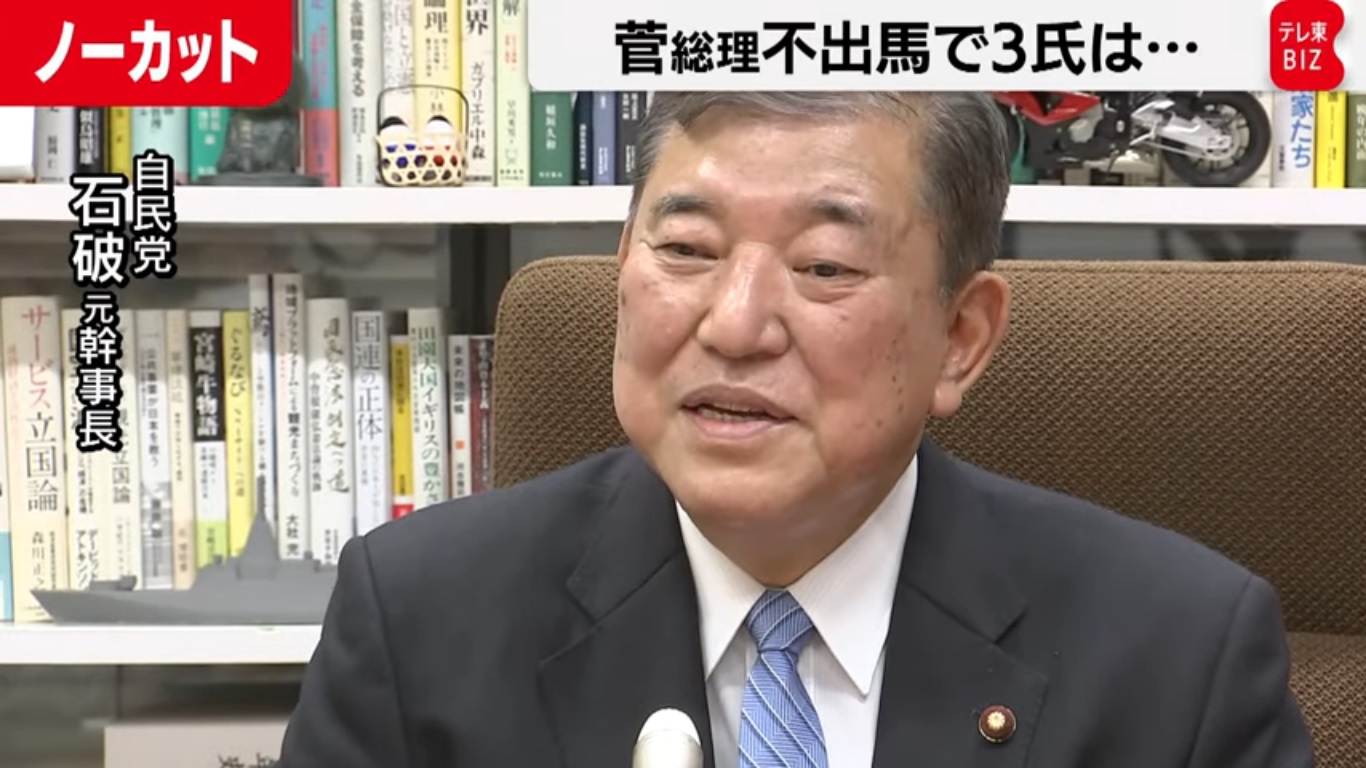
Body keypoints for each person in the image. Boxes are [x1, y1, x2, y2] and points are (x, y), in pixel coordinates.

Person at [277, 92, 1314, 768]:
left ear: (960, 338)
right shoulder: (417, 622)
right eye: (686, 249)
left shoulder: (1178, 658)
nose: (734, 326)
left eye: (824, 267)